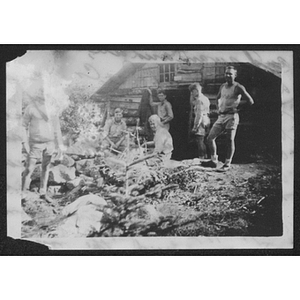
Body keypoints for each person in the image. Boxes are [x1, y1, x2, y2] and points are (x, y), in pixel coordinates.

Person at [201, 66, 254, 171]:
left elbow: (250, 101)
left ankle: (227, 163)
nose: (228, 75)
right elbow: (217, 98)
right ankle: (214, 160)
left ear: (235, 75)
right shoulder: (222, 86)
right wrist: (218, 109)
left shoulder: (238, 87)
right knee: (210, 138)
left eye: (230, 74)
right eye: (226, 73)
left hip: (232, 117)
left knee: (229, 140)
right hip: (221, 116)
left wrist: (238, 110)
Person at [22, 78, 65, 202]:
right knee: (29, 168)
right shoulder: (31, 108)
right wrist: (25, 142)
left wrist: (60, 145)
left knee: (46, 167)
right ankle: (23, 193)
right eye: (42, 92)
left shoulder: (53, 109)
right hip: (35, 143)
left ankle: (43, 192)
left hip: (50, 143)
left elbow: (57, 128)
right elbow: (23, 126)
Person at [189, 82, 211, 159]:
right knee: (204, 140)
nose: (192, 93)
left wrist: (195, 127)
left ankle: (202, 158)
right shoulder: (205, 98)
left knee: (200, 141)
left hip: (201, 121)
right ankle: (205, 157)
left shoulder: (199, 100)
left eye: (193, 91)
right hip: (206, 120)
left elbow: (199, 115)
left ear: (196, 90)